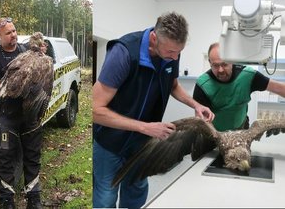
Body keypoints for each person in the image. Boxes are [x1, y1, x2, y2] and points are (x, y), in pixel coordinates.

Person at [92, 12, 215, 208]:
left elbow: (172, 85)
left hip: (141, 144)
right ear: (153, 38)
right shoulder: (123, 53)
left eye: (179, 52)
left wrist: (196, 105)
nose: (175, 58)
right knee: (106, 195)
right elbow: (95, 110)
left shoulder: (172, 52)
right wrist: (145, 127)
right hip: (110, 141)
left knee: (136, 190)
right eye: (171, 52)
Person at [0, 18, 44, 209]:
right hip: (8, 118)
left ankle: (34, 198)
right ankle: (7, 200)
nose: (13, 35)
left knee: (32, 156)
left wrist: (41, 54)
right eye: (8, 33)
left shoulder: (26, 51)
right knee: (6, 159)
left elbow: (41, 63)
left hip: (30, 115)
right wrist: (15, 83)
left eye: (14, 31)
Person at [193, 42, 285, 153]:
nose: (221, 70)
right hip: (214, 135)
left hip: (241, 130)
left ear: (232, 60)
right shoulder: (202, 85)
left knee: (241, 161)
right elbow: (202, 121)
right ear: (210, 63)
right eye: (216, 65)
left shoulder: (248, 76)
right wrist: (220, 139)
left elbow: (280, 88)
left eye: (224, 64)